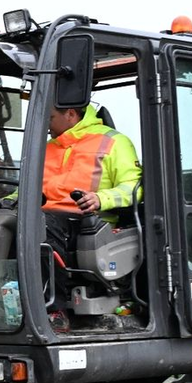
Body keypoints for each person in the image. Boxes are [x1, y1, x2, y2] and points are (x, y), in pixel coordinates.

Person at [42, 103, 141, 327]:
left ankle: (52, 310)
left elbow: (134, 187)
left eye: (49, 118)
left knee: (40, 224)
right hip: (46, 216)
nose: (46, 125)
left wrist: (101, 198)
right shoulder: (47, 148)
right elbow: (27, 188)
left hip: (88, 220)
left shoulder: (114, 142)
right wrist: (7, 201)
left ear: (70, 114)